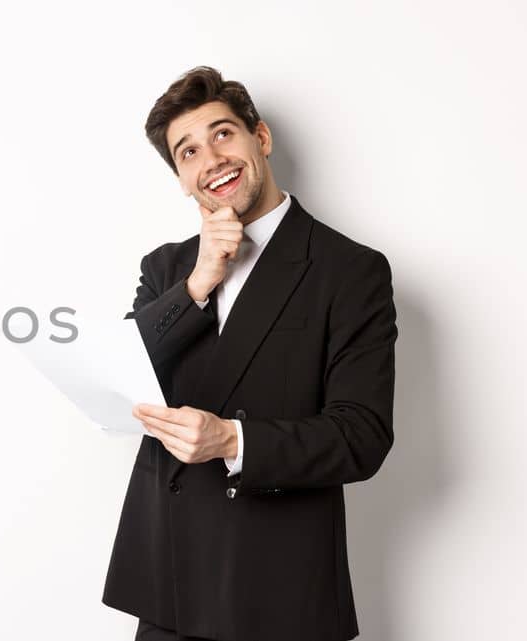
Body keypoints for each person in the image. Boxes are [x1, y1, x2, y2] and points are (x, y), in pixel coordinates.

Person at [103, 67, 398, 641]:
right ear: (183, 181)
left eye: (222, 134)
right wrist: (198, 284)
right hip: (170, 591)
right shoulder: (167, 269)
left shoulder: (349, 270)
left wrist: (233, 441)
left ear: (259, 138)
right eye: (188, 152)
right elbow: (120, 380)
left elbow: (362, 435)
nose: (210, 158)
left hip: (280, 592)